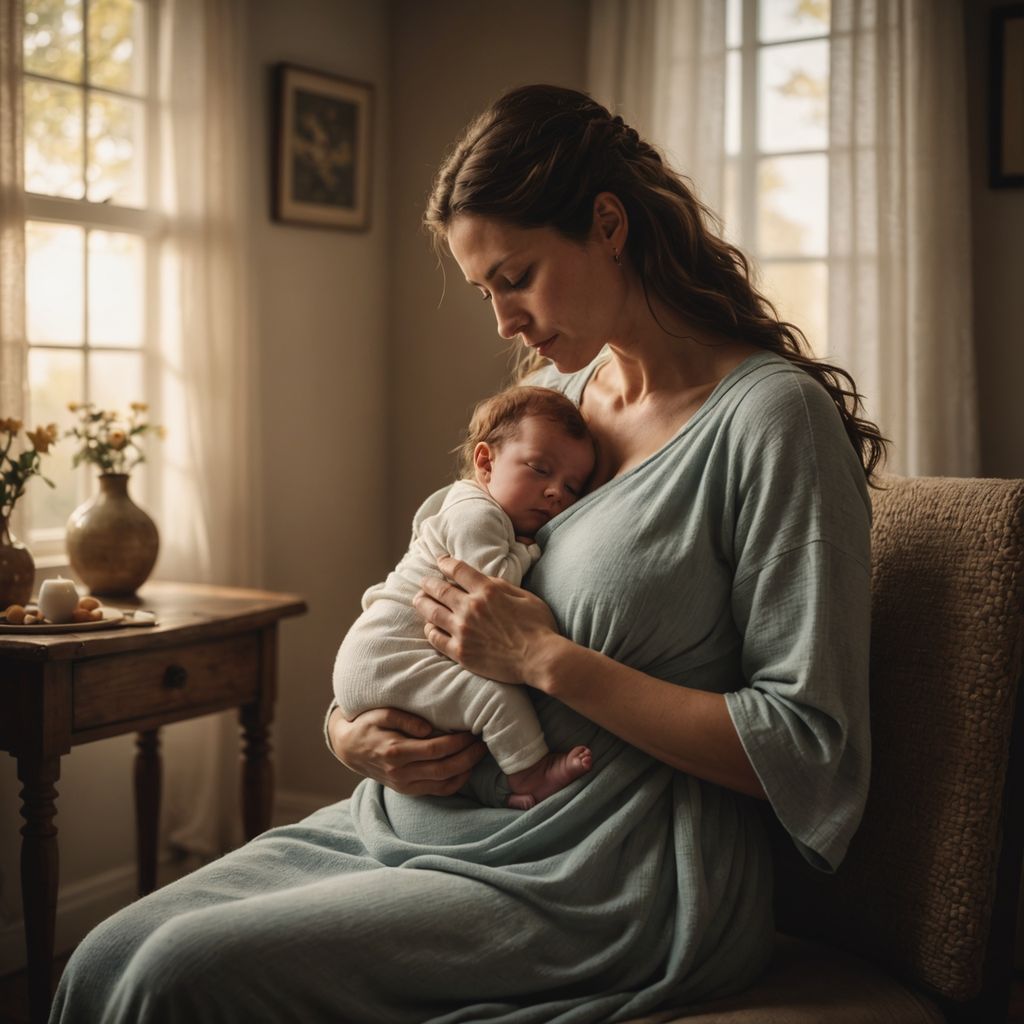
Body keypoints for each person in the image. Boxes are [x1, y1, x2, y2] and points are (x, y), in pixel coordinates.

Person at [50, 84, 886, 1023]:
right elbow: (424, 593)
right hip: (422, 822)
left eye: (517, 276)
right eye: (487, 289)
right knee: (105, 956)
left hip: (604, 873)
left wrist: (545, 660)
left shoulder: (771, 422)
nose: (504, 322)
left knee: (177, 978)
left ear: (608, 224)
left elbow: (809, 749)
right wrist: (350, 732)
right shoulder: (558, 403)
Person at [333, 384, 596, 810]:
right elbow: (491, 589)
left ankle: (492, 792)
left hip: (373, 658)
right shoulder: (479, 515)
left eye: (573, 487)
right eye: (540, 470)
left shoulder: (472, 508)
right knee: (492, 697)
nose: (556, 494)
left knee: (461, 731)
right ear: (485, 462)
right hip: (386, 659)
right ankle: (530, 772)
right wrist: (528, 549)